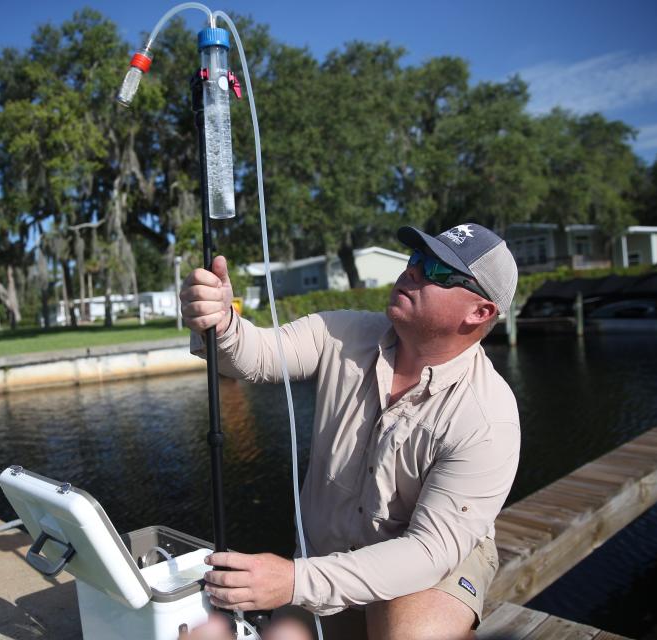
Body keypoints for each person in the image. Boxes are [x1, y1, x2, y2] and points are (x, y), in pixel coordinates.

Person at [179, 223, 521, 640]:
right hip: (330, 557)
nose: (413, 271)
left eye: (439, 271)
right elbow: (261, 355)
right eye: (416, 259)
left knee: (409, 635)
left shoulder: (488, 418)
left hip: (435, 562)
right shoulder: (341, 331)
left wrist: (292, 581)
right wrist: (221, 321)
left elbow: (430, 551)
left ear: (480, 312)